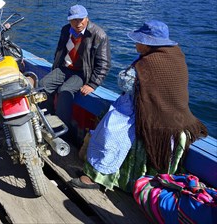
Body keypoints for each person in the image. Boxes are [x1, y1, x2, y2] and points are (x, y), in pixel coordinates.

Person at [70, 20, 208, 191]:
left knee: (111, 129)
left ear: (148, 44)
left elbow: (125, 82)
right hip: (177, 113)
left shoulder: (149, 62)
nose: (136, 43)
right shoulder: (176, 55)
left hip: (152, 112)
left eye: (139, 41)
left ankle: (96, 177)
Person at [40, 5, 111, 140]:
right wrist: (55, 69)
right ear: (69, 21)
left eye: (81, 19)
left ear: (87, 18)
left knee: (65, 91)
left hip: (82, 72)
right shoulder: (66, 30)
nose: (78, 23)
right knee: (43, 84)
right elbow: (60, 52)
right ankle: (47, 118)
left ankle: (61, 131)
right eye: (74, 20)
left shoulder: (99, 35)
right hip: (64, 68)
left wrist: (93, 84)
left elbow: (104, 64)